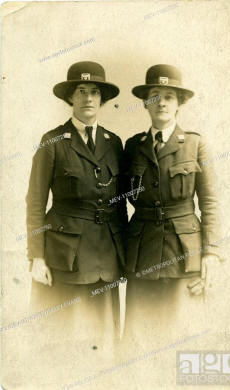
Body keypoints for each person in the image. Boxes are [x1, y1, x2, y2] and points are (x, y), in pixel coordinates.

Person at [25, 62, 127, 383]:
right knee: (64, 334)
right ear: (71, 97)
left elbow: (120, 203)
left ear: (102, 99)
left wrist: (123, 254)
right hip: (65, 254)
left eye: (94, 92)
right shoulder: (53, 141)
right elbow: (35, 201)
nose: (88, 98)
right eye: (81, 91)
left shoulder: (114, 142)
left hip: (105, 255)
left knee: (103, 338)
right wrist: (36, 256)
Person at [122, 64, 221, 361]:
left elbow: (210, 202)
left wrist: (211, 253)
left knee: (183, 341)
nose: (161, 102)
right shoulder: (133, 147)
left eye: (169, 96)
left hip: (184, 255)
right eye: (155, 95)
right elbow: (118, 200)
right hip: (141, 254)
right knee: (138, 343)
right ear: (146, 103)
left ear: (179, 103)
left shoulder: (195, 143)